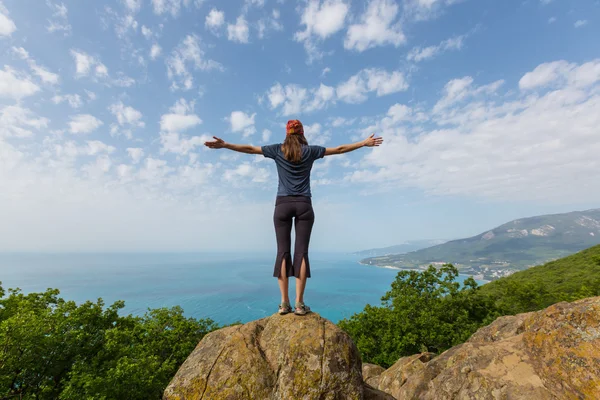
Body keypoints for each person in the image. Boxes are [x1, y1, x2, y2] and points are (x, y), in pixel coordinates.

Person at [204, 120, 383, 316]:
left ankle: (284, 304)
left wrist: (226, 145)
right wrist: (363, 143)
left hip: (282, 205)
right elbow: (339, 149)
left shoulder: (277, 150)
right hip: (304, 204)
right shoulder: (310, 151)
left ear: (287, 134)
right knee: (302, 253)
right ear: (302, 133)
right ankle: (299, 304)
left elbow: (249, 148)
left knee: (282, 252)